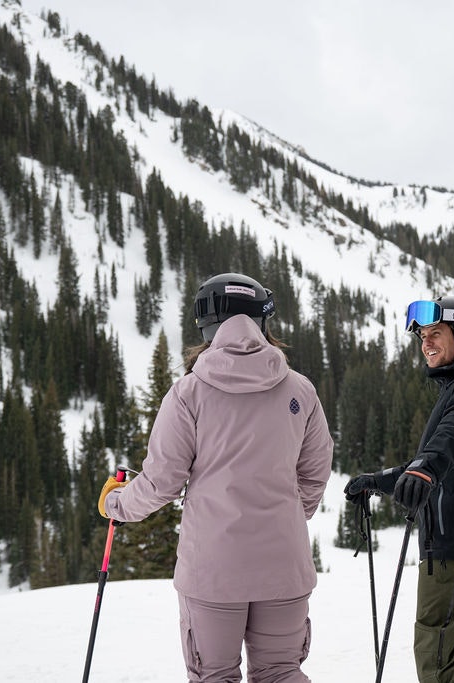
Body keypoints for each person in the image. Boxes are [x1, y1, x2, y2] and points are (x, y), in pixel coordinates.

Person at [99, 272, 334, 683]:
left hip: (213, 572)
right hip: (285, 565)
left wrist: (116, 504)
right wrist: (288, 518)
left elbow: (161, 482)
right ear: (263, 321)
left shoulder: (188, 393)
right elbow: (315, 473)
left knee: (215, 676)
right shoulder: (301, 390)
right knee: (281, 672)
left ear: (206, 324)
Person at [345, 295, 454, 682]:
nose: (426, 344)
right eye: (422, 337)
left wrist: (425, 469)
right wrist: (381, 480)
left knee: (438, 656)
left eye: (435, 334)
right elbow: (442, 459)